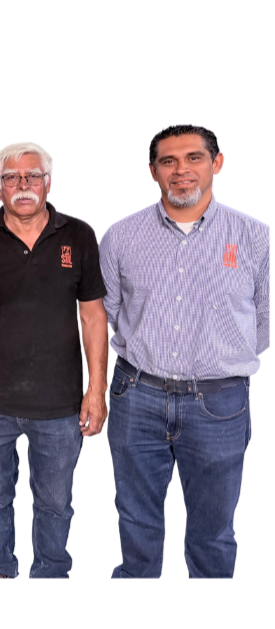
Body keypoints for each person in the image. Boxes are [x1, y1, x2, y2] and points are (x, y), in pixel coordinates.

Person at [101, 124, 269, 577]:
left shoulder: (254, 237)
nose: (182, 171)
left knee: (213, 533)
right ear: (153, 171)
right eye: (169, 161)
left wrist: (216, 361)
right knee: (136, 522)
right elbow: (110, 312)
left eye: (194, 158)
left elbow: (263, 321)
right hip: (137, 396)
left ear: (216, 163)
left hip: (219, 403)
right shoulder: (121, 236)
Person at [0, 143, 108, 579]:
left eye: (32, 176)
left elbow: (93, 317)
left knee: (56, 502)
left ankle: (51, 573)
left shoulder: (77, 236)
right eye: (12, 178)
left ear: (48, 182)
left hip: (59, 405)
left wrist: (95, 391)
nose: (23, 185)